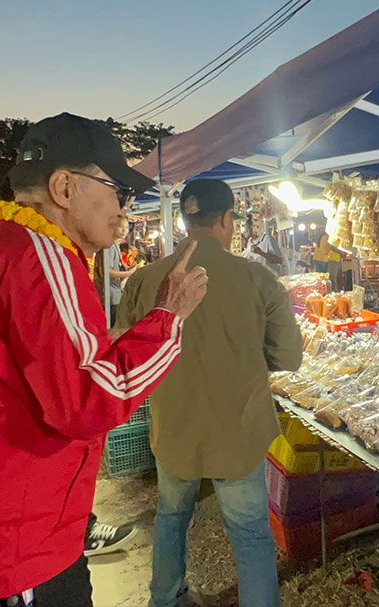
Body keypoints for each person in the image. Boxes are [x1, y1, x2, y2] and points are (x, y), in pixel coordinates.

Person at [0, 113, 208, 606]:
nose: (124, 212)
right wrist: (167, 317)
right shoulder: (38, 254)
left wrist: (115, 337)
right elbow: (90, 400)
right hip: (15, 539)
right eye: (117, 192)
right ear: (64, 187)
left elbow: (26, 361)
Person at [117, 179, 303, 607]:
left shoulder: (143, 280)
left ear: (184, 220)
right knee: (251, 534)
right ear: (226, 220)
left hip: (173, 428)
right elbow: (289, 357)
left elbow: (127, 354)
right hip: (236, 430)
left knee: (170, 517)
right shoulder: (257, 277)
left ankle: (164, 599)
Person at [94, 220, 135, 323]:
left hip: (115, 294)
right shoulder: (109, 245)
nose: (124, 231)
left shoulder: (116, 244)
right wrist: (128, 273)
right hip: (110, 296)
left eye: (126, 227)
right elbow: (106, 272)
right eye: (121, 227)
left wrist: (125, 267)